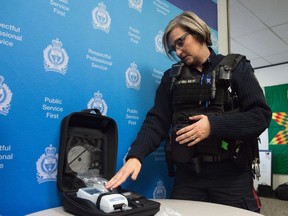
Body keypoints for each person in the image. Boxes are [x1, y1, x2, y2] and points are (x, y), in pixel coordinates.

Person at [106, 11, 272, 212]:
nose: (178, 51)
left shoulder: (237, 68)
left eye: (181, 42)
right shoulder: (171, 78)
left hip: (232, 175)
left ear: (199, 33)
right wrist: (136, 156)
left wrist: (212, 126)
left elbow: (260, 116)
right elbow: (157, 121)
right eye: (173, 48)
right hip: (189, 176)